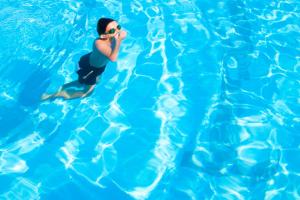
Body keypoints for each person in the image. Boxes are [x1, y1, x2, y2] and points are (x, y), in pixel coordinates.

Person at [41, 18, 127, 100]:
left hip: (97, 67)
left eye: (118, 27)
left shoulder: (111, 39)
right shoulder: (99, 43)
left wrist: (116, 38)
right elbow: (113, 58)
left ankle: (65, 86)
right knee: (87, 93)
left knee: (86, 82)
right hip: (90, 69)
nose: (118, 31)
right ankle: (55, 95)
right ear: (104, 35)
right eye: (112, 31)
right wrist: (118, 40)